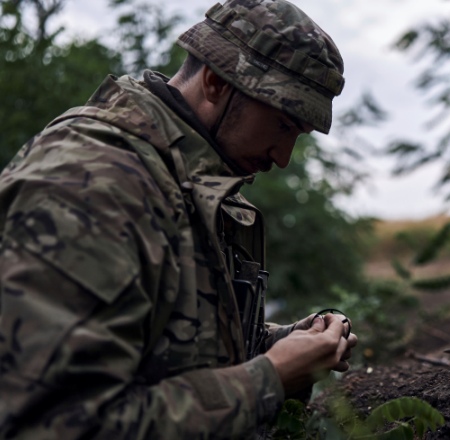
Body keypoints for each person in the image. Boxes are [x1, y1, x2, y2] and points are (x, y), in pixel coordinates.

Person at [0, 0, 357, 438]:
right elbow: (53, 423)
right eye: (282, 126)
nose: (283, 158)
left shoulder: (192, 182)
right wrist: (268, 379)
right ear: (214, 83)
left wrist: (282, 347)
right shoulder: (88, 184)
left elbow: (170, 350)